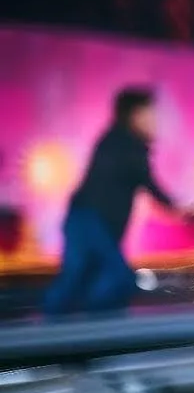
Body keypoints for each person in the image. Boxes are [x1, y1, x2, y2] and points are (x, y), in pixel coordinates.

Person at [42, 86, 182, 316]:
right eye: (151, 113)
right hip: (89, 223)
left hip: (82, 219)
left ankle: (60, 331)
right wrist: (181, 209)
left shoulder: (113, 140)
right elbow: (149, 183)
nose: (155, 120)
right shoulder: (127, 145)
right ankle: (86, 329)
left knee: (79, 279)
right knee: (117, 278)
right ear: (136, 114)